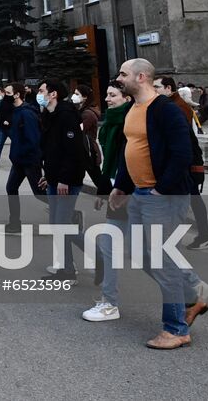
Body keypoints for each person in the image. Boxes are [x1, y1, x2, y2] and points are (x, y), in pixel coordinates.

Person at [108, 59, 208, 350]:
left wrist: (162, 190)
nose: (119, 78)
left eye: (123, 74)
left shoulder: (166, 109)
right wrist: (122, 187)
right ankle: (193, 293)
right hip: (141, 193)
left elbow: (182, 153)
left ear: (141, 77)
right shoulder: (133, 109)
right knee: (140, 254)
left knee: (162, 259)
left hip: (163, 196)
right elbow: (132, 150)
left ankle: (176, 328)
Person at [82, 80, 132, 322]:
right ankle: (109, 302)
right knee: (110, 245)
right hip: (117, 188)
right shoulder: (111, 123)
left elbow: (129, 161)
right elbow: (110, 162)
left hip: (131, 192)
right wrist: (106, 190)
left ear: (127, 98)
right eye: (108, 95)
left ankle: (191, 291)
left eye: (113, 95)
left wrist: (121, 189)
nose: (109, 99)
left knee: (149, 253)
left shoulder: (129, 122)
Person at [38, 80, 95, 277]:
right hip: (55, 178)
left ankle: (101, 257)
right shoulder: (49, 115)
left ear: (53, 94)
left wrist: (63, 178)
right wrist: (49, 176)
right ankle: (67, 268)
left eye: (42, 91)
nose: (39, 94)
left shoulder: (67, 115)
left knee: (63, 225)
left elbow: (73, 151)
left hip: (68, 180)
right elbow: (52, 150)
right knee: (57, 224)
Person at [155, 76, 208, 251]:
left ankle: (202, 236)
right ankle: (202, 236)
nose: (154, 90)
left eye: (156, 87)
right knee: (189, 200)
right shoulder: (170, 105)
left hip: (187, 162)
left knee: (189, 200)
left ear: (168, 88)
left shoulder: (176, 107)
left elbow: (186, 139)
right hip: (185, 160)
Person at [4, 83, 44, 235]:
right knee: (11, 188)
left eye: (7, 93)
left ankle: (70, 214)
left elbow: (33, 139)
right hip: (19, 160)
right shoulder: (16, 111)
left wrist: (24, 154)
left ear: (16, 95)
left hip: (29, 160)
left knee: (39, 193)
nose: (4, 95)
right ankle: (15, 223)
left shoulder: (27, 113)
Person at [74, 85, 102, 168]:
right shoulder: (83, 110)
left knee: (96, 175)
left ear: (85, 97)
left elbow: (79, 130)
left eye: (77, 94)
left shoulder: (87, 114)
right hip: (85, 148)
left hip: (88, 149)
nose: (73, 96)